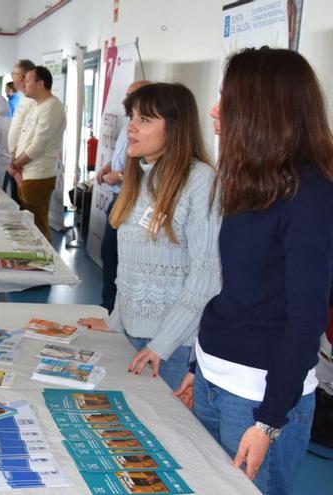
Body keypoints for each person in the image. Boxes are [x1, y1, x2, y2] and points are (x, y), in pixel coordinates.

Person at [173, 48, 333, 495]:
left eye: (227, 99)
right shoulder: (249, 181)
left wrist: (269, 421)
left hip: (259, 399)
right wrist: (199, 363)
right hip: (212, 378)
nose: (214, 110)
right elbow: (237, 292)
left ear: (263, 111)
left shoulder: (311, 197)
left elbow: (306, 319)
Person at [83, 83, 221, 392]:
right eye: (132, 116)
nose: (130, 127)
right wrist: (116, 320)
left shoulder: (201, 182)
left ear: (174, 129)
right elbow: (128, 267)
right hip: (135, 337)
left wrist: (163, 344)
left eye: (144, 120)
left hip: (173, 348)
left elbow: (207, 276)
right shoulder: (141, 178)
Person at [96, 79, 151, 312]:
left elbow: (140, 169)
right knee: (109, 252)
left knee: (118, 254)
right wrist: (110, 167)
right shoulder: (129, 124)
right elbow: (123, 153)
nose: (124, 100)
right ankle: (110, 305)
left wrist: (118, 177)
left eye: (130, 96)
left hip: (129, 195)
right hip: (119, 196)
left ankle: (113, 307)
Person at [8, 65, 65, 241]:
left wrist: (16, 164)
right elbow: (26, 138)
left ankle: (45, 264)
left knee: (37, 226)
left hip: (38, 176)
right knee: (29, 224)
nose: (24, 84)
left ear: (40, 84)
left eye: (28, 80)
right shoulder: (38, 105)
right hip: (27, 173)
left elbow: (38, 145)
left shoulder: (52, 107)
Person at [5, 59, 35, 204]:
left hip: (25, 164)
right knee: (18, 203)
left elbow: (30, 135)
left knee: (27, 208)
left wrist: (17, 162)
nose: (12, 78)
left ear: (23, 77)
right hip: (17, 161)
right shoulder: (24, 98)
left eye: (14, 74)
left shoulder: (33, 100)